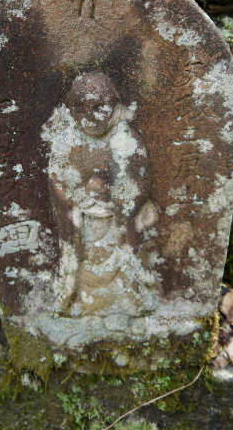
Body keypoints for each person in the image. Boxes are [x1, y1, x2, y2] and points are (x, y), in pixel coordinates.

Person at [47, 72, 158, 318]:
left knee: (123, 261)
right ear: (70, 109)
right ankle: (77, 303)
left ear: (115, 106)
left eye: (99, 107)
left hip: (116, 223)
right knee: (81, 264)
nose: (90, 116)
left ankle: (131, 302)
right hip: (82, 221)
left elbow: (139, 184)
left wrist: (117, 199)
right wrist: (76, 199)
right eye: (80, 108)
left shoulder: (127, 141)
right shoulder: (66, 142)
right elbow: (57, 181)